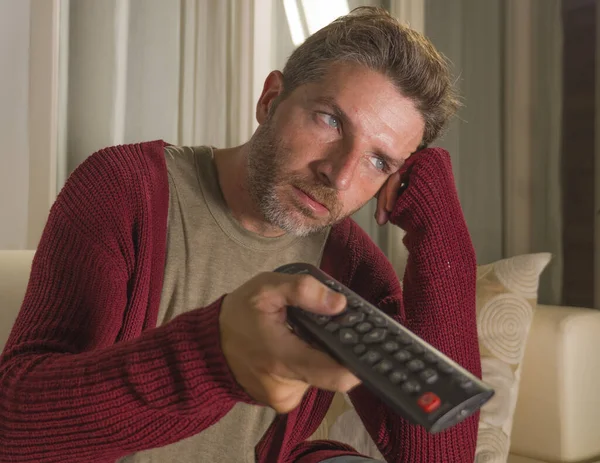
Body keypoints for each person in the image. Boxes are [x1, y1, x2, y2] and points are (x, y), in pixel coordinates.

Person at [0, 6, 481, 463]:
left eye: (379, 161)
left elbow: (434, 453)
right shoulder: (126, 187)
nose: (338, 176)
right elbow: (14, 428)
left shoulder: (352, 268)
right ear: (271, 99)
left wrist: (441, 232)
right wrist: (215, 356)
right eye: (330, 120)